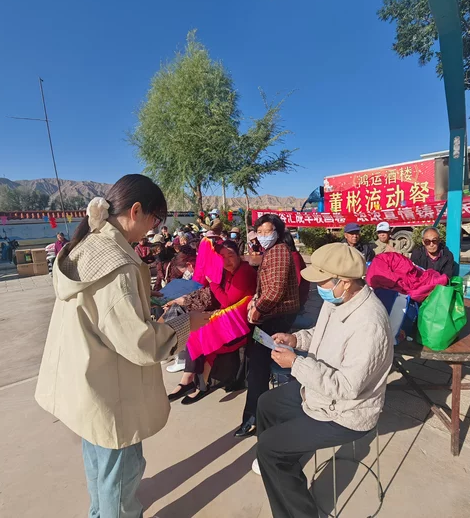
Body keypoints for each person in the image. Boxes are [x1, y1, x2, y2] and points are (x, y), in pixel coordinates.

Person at [35, 174, 210, 518]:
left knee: (99, 466)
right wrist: (186, 323)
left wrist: (146, 302)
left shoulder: (88, 245)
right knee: (121, 473)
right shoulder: (118, 262)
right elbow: (140, 343)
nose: (153, 229)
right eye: (155, 220)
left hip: (86, 383)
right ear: (136, 210)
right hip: (112, 392)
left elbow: (106, 314)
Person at [253, 243, 394, 517]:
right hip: (319, 392)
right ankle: (283, 463)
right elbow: (321, 332)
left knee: (269, 449)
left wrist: (295, 363)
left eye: (322, 281)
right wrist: (296, 340)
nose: (318, 287)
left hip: (345, 413)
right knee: (267, 404)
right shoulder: (338, 300)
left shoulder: (370, 324)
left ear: (345, 281)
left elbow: (347, 387)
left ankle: (294, 502)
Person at [168, 240, 258, 404]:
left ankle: (195, 383)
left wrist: (213, 283)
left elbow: (226, 302)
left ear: (239, 255)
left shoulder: (244, 272)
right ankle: (190, 380)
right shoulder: (230, 271)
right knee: (196, 329)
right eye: (222, 257)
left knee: (200, 333)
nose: (226, 260)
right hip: (230, 318)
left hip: (239, 324)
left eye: (230, 255)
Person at [237, 214, 301, 438]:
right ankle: (257, 416)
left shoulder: (280, 251)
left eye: (268, 231)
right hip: (271, 314)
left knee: (258, 365)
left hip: (277, 316)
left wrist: (258, 309)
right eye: (260, 232)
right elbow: (266, 287)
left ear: (278, 232)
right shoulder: (271, 251)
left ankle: (255, 418)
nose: (264, 236)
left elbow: (275, 290)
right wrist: (256, 299)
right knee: (257, 362)